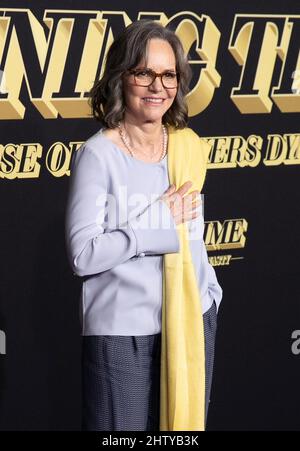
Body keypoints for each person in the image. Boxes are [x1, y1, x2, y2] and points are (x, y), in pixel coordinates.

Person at [65, 19, 223, 431]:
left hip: (188, 322)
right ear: (122, 77)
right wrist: (153, 223)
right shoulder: (98, 155)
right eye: (144, 73)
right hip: (121, 337)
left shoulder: (187, 146)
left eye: (168, 74)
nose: (158, 86)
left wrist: (209, 297)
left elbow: (194, 241)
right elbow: (83, 256)